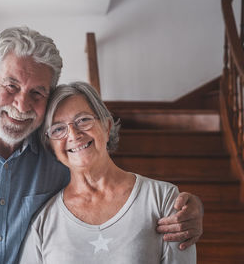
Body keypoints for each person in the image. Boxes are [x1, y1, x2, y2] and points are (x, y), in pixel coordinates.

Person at [0, 27, 202, 264]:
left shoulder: (55, 153)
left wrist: (191, 212)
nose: (21, 104)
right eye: (11, 86)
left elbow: (117, 197)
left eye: (37, 93)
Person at [19, 81, 196, 263]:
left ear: (107, 125)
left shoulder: (162, 199)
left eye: (83, 120)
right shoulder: (43, 222)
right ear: (51, 146)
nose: (73, 134)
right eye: (58, 129)